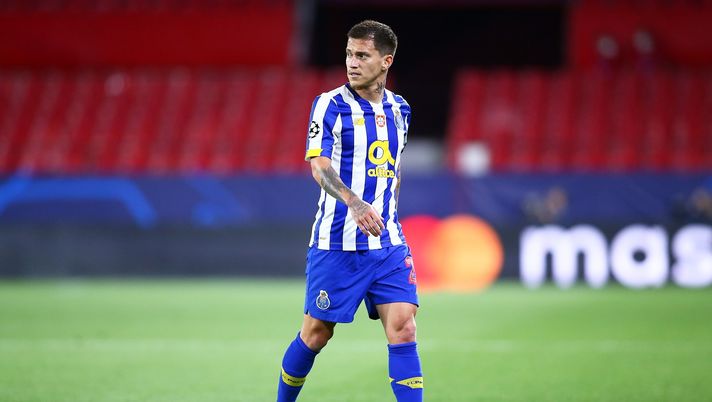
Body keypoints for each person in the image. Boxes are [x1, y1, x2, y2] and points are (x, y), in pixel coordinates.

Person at [276, 20, 423, 402]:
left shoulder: (400, 109)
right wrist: (355, 204)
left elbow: (394, 169)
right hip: (336, 243)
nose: (352, 63)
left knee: (404, 327)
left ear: (386, 61)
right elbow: (319, 166)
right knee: (316, 334)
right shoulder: (329, 104)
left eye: (362, 55)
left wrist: (386, 214)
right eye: (348, 54)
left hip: (387, 244)